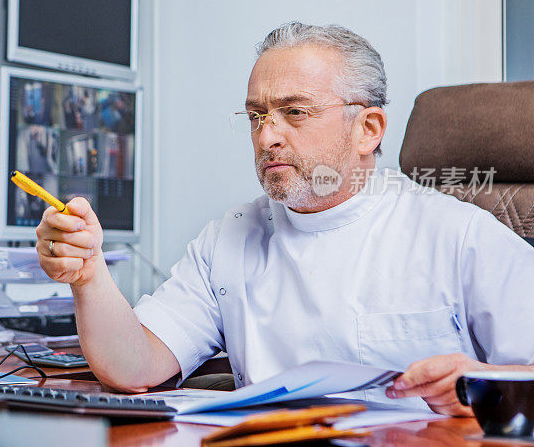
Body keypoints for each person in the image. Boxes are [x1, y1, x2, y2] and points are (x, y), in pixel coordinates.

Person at [34, 22, 534, 415]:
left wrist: (480, 389)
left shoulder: (460, 236)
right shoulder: (229, 237)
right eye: (256, 116)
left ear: (368, 129)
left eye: (294, 113)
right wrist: (89, 274)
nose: (266, 137)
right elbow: (134, 367)